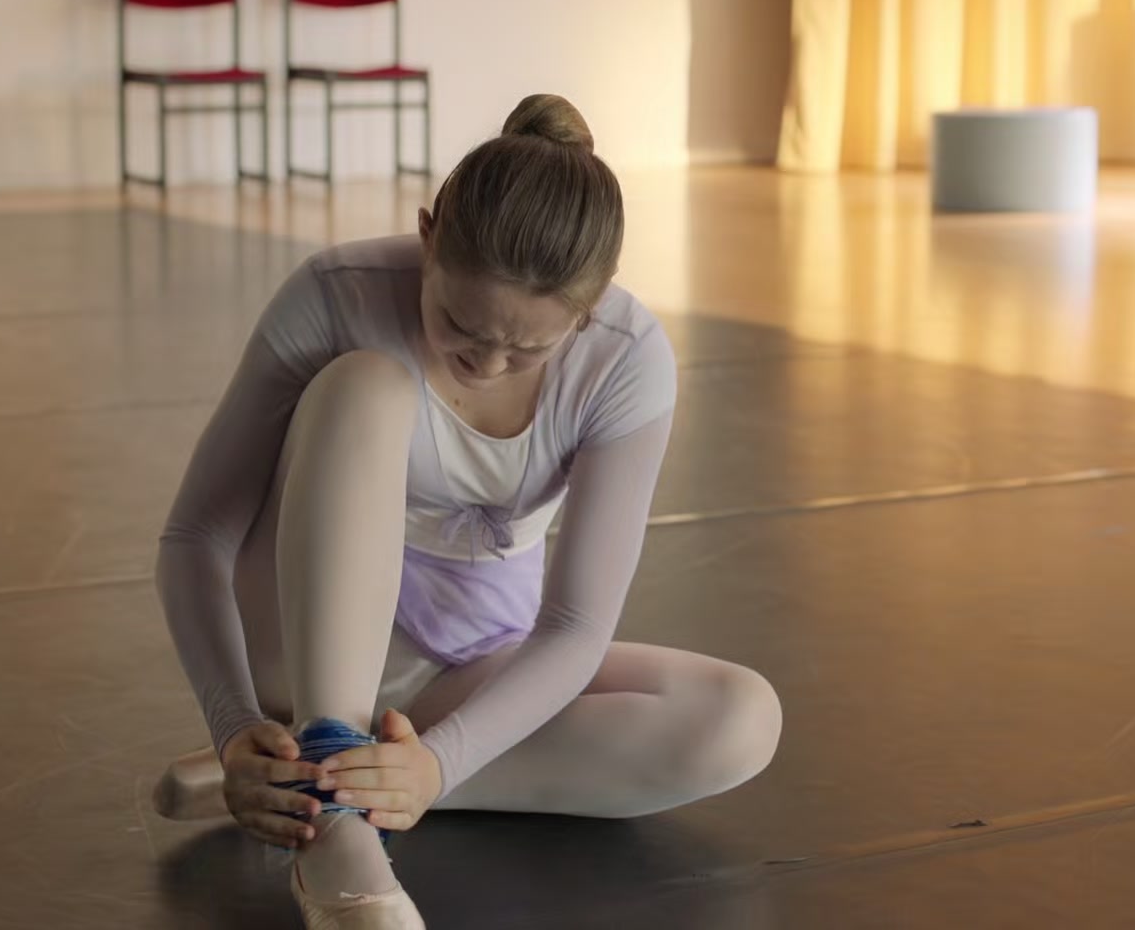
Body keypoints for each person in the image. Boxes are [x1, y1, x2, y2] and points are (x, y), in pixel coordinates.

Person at [150, 94, 783, 927]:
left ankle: (315, 784)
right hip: (300, 645)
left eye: (529, 348)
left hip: (472, 666)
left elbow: (575, 626)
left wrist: (440, 765)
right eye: (459, 325)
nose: (486, 363)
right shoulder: (336, 296)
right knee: (366, 384)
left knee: (740, 718)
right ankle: (336, 828)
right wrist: (233, 723)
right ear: (427, 238)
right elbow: (197, 535)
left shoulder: (625, 361)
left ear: (591, 308)